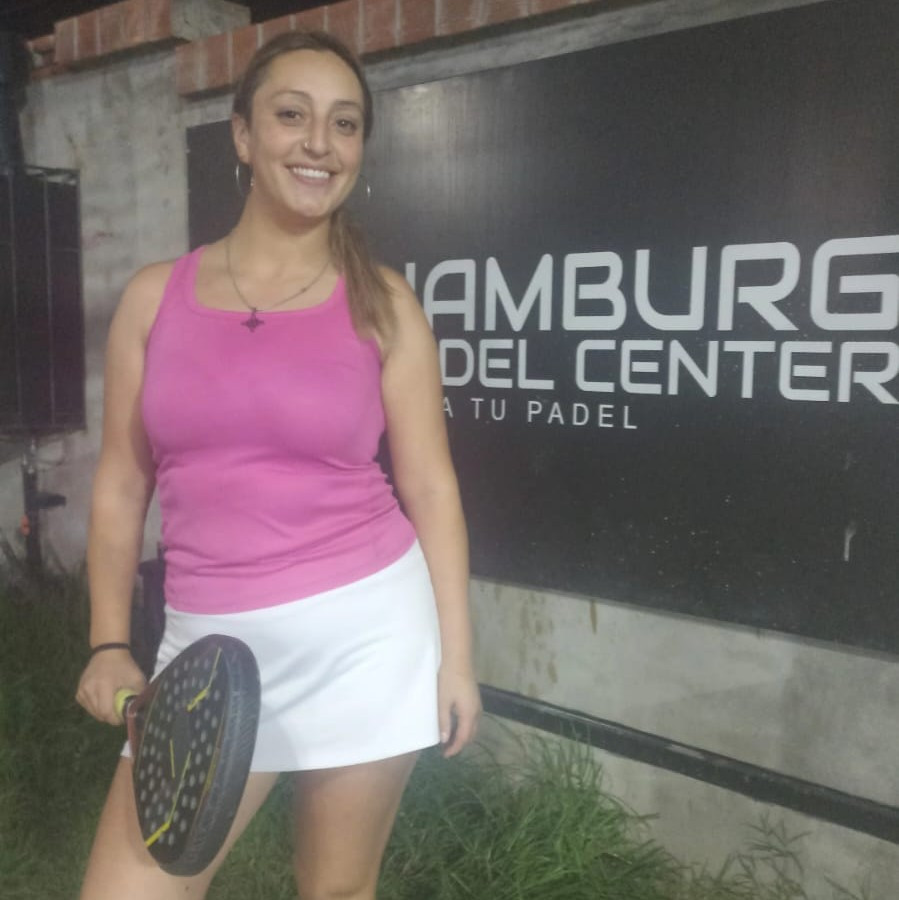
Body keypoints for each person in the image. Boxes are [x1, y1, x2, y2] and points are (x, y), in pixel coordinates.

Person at [75, 30, 481, 900]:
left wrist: (456, 658)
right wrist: (109, 641)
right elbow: (120, 483)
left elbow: (430, 486)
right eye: (292, 115)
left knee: (334, 890)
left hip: (366, 635)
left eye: (344, 124)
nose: (318, 144)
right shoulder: (153, 297)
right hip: (206, 649)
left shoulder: (384, 302)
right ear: (242, 135)